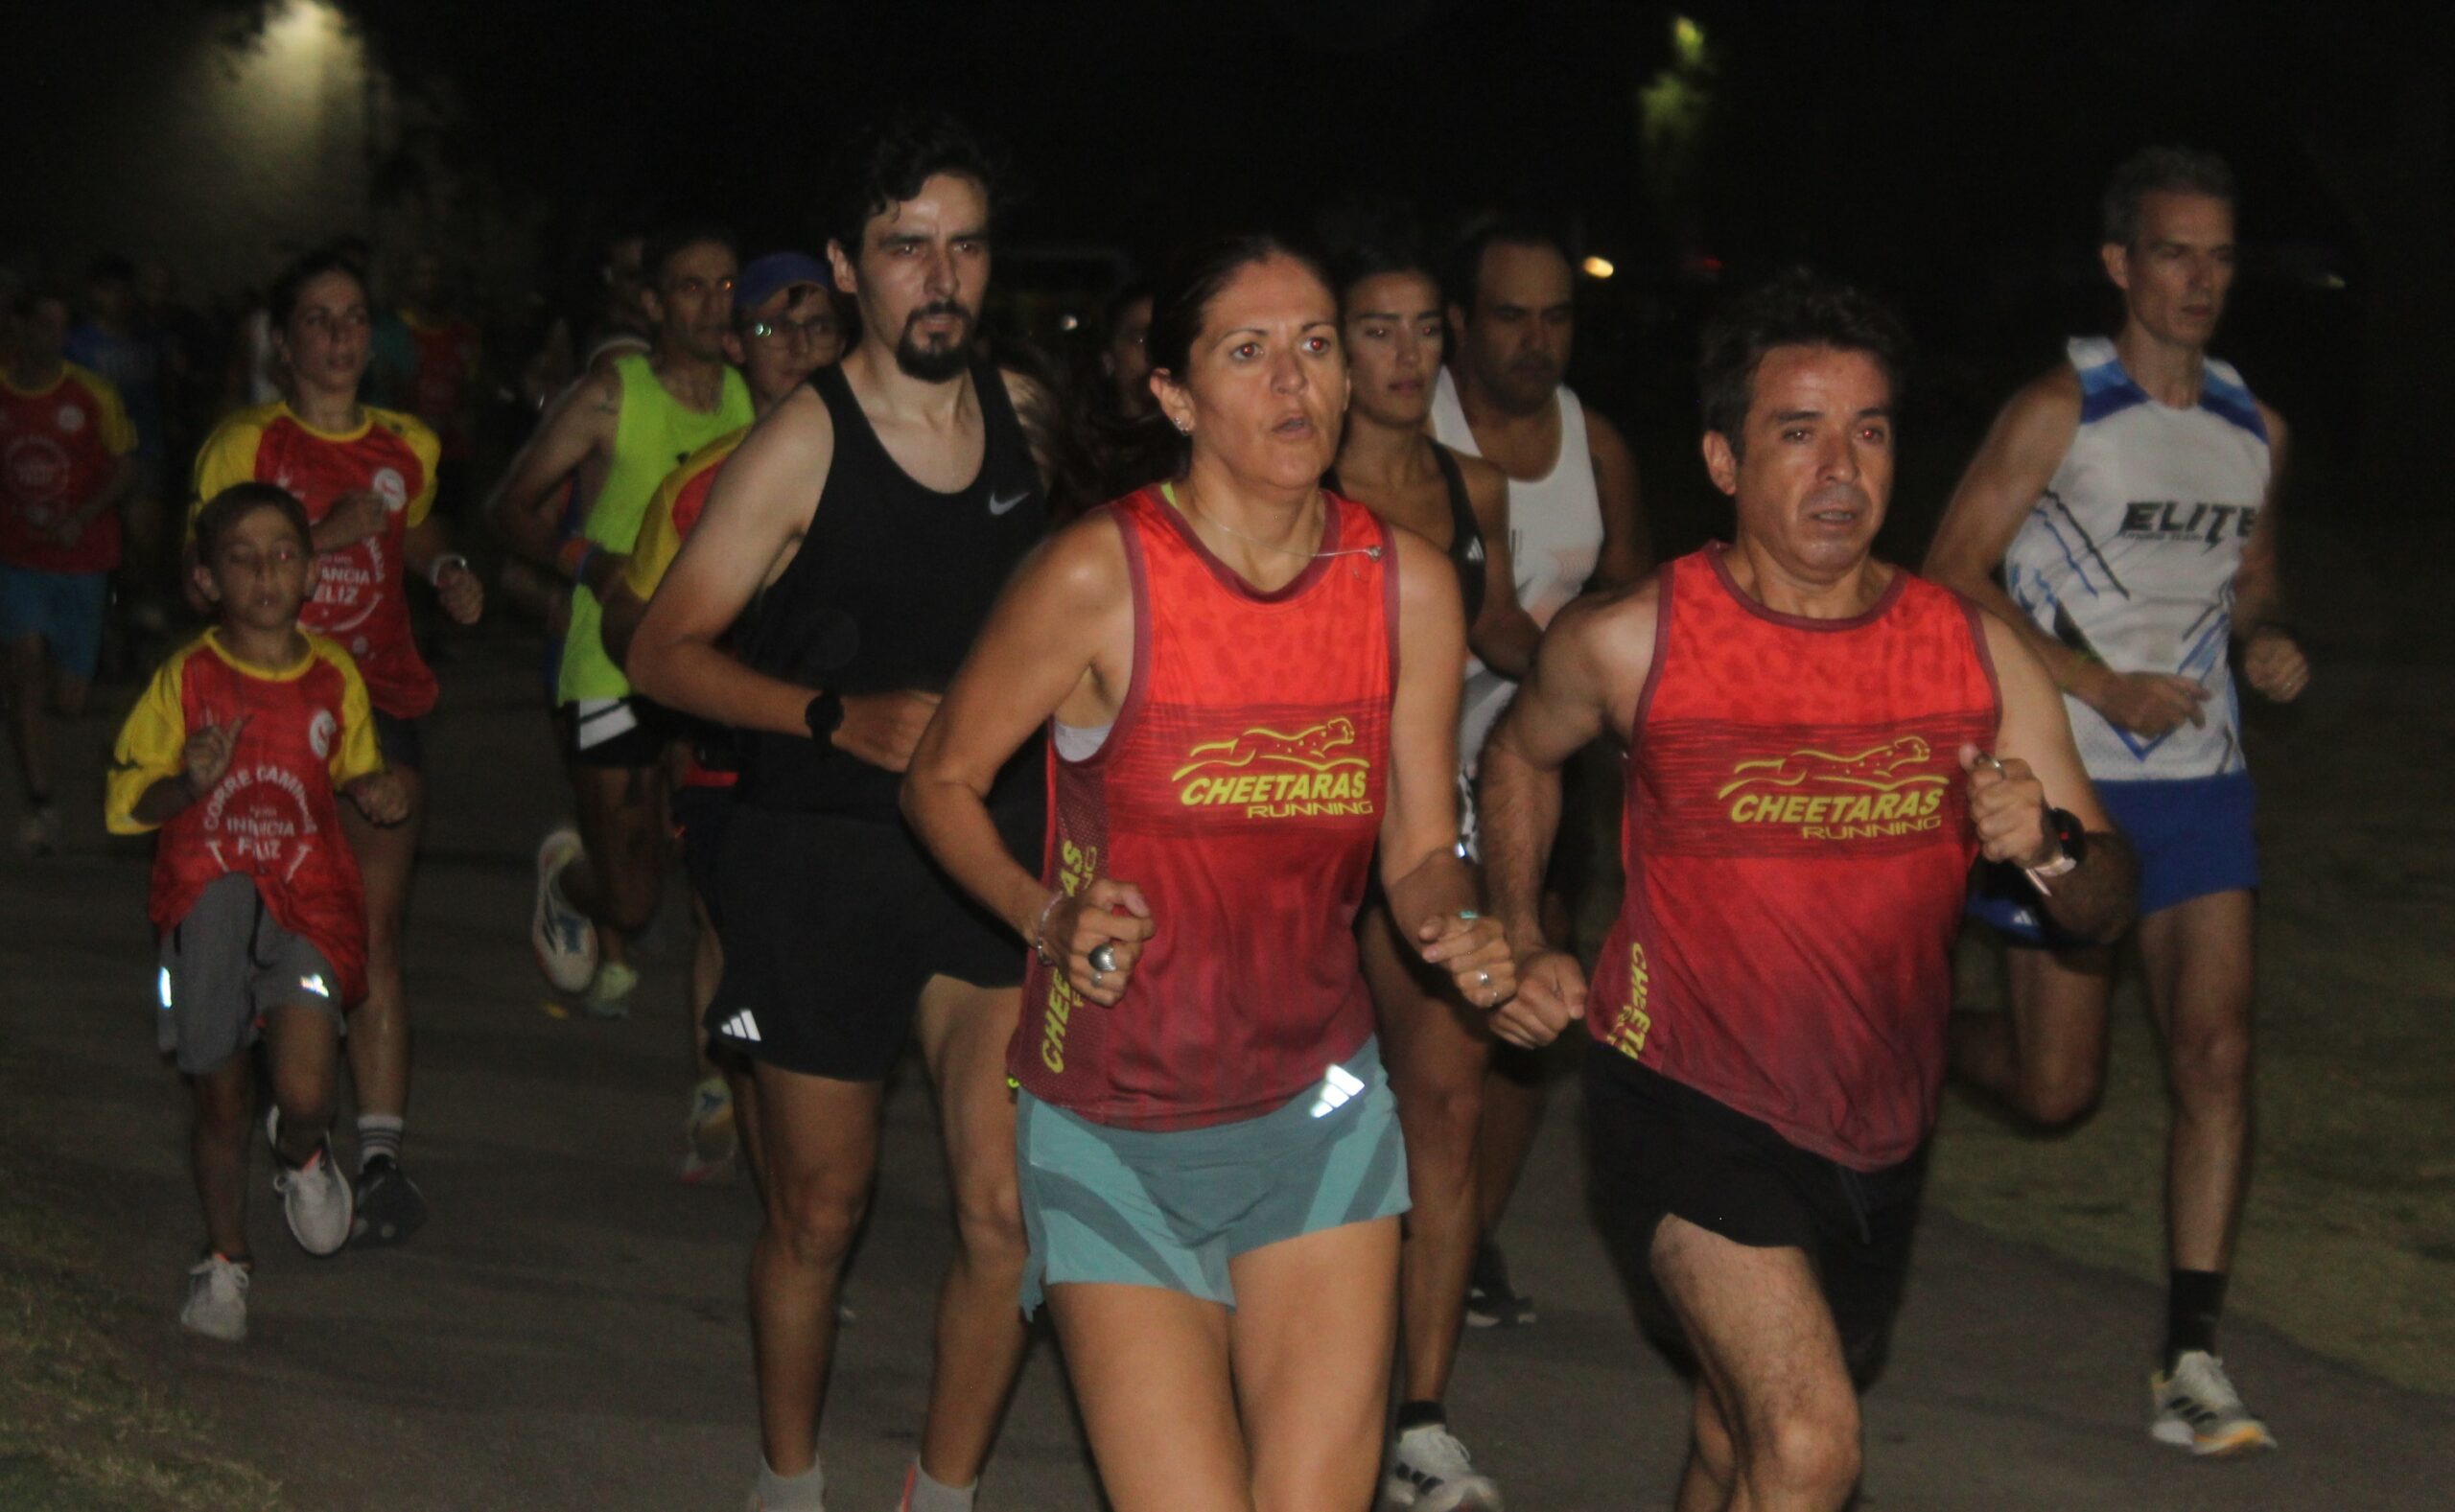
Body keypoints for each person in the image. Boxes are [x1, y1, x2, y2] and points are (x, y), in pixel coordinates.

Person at [1479, 270, 2139, 1512]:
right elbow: (1518, 753)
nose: (1842, 468)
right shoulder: (1634, 639)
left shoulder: (1974, 652)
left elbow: (2105, 903)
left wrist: (2048, 845)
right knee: (1808, 1445)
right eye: (1799, 432)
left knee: (1737, 1438)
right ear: (1723, 460)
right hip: (1681, 1094)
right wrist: (1518, 929)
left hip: (1878, 1120)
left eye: (1869, 431)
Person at [902, 233, 1513, 1512]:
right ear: (1176, 396)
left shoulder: (1402, 586)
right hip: (1114, 1120)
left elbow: (1418, 851)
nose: (1296, 381)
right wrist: (1044, 914)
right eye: (1248, 352)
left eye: (1316, 345)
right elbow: (940, 780)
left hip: (1320, 1108)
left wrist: (1468, 929)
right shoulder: (1099, 575)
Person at [625, 111, 1059, 1512]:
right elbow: (662, 652)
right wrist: (831, 715)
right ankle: (790, 1479)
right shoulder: (802, 443)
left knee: (1006, 1210)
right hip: (817, 858)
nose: (941, 277)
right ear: (846, 265)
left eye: (965, 247)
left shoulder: (1025, 419)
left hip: (982, 854)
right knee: (820, 1210)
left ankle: (944, 1492)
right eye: (906, 247)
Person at [1923, 146, 2305, 1455]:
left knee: (2216, 1056)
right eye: (2173, 253)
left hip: (2202, 785)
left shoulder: (2256, 428)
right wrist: (2093, 682)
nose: (2199, 280)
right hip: (2071, 785)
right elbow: (1949, 570)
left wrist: (2267, 637)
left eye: (2219, 256)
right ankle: (1919, 1031)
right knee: (2056, 1090)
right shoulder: (2061, 409)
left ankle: (2191, 1355)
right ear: (2119, 264)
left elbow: (2252, 575)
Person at [191, 249, 486, 1246]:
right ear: (283, 341)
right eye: (316, 319)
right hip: (268, 711)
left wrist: (446, 566)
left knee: (375, 926)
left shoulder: (406, 444)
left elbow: (415, 527)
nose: (337, 336)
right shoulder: (246, 443)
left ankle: (383, 1155)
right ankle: (295, 1111)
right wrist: (318, 533)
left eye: (354, 317)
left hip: (381, 701)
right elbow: (203, 573)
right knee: (272, 923)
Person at [1321, 241, 1527, 1512]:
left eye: (1422, 330)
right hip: (1291, 817)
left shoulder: (1473, 486)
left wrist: (1604, 683)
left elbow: (1497, 631)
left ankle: (1422, 1417)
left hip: (1425, 818)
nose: (1403, 356)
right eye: (1374, 329)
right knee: (1303, 1108)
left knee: (1445, 1101)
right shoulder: (1293, 477)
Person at [107, 481, 409, 1341]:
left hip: (306, 899)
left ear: (311, 572)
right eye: (241, 559)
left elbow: (355, 767)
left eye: (282, 555)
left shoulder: (332, 676)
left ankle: (302, 1148)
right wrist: (187, 781)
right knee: (219, 1090)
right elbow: (128, 800)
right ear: (207, 580)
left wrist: (377, 789)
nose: (265, 574)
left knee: (307, 1088)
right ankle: (224, 1259)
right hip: (206, 896)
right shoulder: (188, 678)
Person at [1432, 217, 1649, 1329]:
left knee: (1531, 994)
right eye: (1510, 315)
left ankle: (1465, 1240)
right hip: (1408, 759)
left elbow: (1633, 600)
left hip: (1536, 766)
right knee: (1408, 1007)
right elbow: (1496, 622)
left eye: (1555, 316)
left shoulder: (1594, 446)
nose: (1534, 340)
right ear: (1459, 322)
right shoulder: (1408, 428)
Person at [597, 251, 842, 1183]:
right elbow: (633, 623)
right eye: (775, 329)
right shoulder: (702, 482)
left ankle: (805, 1181)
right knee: (740, 945)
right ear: (738, 346)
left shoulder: (900, 470)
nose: (799, 347)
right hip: (730, 767)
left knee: (816, 974)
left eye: (818, 328)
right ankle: (766, 1157)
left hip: (849, 768)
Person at [490, 225, 750, 1019]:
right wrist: (590, 563)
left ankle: (720, 1059)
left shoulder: (754, 397)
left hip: (709, 657)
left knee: (710, 867)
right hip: (609, 663)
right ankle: (566, 879)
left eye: (726, 285)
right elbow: (510, 506)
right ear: (652, 302)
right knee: (631, 901)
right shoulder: (612, 393)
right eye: (691, 287)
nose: (713, 304)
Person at [3, 287, 138, 854]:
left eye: (62, 327)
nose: (52, 338)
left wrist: (83, 515)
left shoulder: (91, 393)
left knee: (71, 701)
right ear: (20, 326)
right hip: (19, 559)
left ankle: (130, 750)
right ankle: (41, 804)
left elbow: (126, 468)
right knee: (26, 665)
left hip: (83, 560)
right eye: (43, 325)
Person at [397, 249, 483, 522]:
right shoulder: (395, 332)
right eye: (423, 273)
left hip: (452, 454)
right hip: (407, 453)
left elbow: (472, 388)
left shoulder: (465, 335)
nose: (431, 281)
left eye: (438, 274)